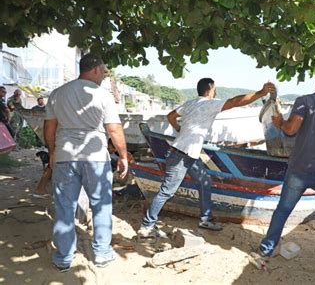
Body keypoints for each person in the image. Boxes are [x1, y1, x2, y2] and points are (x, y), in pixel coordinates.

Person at [137, 78, 276, 237]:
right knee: (167, 192)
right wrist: (261, 93)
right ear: (210, 90)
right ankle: (146, 226)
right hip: (181, 156)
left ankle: (205, 219)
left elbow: (170, 116)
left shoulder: (190, 103)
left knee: (204, 181)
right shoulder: (209, 104)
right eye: (214, 89)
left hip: (187, 154)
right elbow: (235, 101)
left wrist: (179, 129)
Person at [44, 53, 128, 272]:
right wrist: (124, 156)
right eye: (104, 71)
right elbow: (114, 129)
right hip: (96, 159)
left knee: (64, 208)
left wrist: (52, 152)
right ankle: (101, 254)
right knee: (101, 206)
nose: (104, 76)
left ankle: (63, 258)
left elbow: (49, 128)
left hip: (64, 156)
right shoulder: (103, 95)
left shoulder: (58, 93)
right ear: (96, 70)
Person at [258, 71, 315, 270]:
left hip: (300, 167)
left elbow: (291, 130)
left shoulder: (304, 101)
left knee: (283, 209)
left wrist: (279, 122)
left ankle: (267, 248)